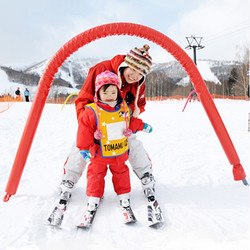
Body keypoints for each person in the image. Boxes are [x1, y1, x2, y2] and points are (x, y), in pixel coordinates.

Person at [60, 44, 155, 204]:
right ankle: (69, 179)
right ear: (127, 64)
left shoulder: (138, 84)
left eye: (140, 73)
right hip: (95, 121)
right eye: (133, 70)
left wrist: (126, 118)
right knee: (83, 146)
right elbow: (83, 98)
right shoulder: (102, 69)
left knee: (132, 144)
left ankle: (146, 175)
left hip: (119, 122)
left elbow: (140, 103)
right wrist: (89, 125)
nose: (135, 76)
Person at [77, 70, 152, 218]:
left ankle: (123, 195)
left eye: (113, 92)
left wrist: (142, 126)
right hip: (99, 153)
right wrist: (84, 147)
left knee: (122, 173)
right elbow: (84, 129)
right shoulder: (92, 111)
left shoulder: (123, 108)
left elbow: (130, 121)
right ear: (98, 93)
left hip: (119, 152)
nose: (110, 96)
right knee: (95, 174)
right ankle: (94, 196)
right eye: (106, 93)